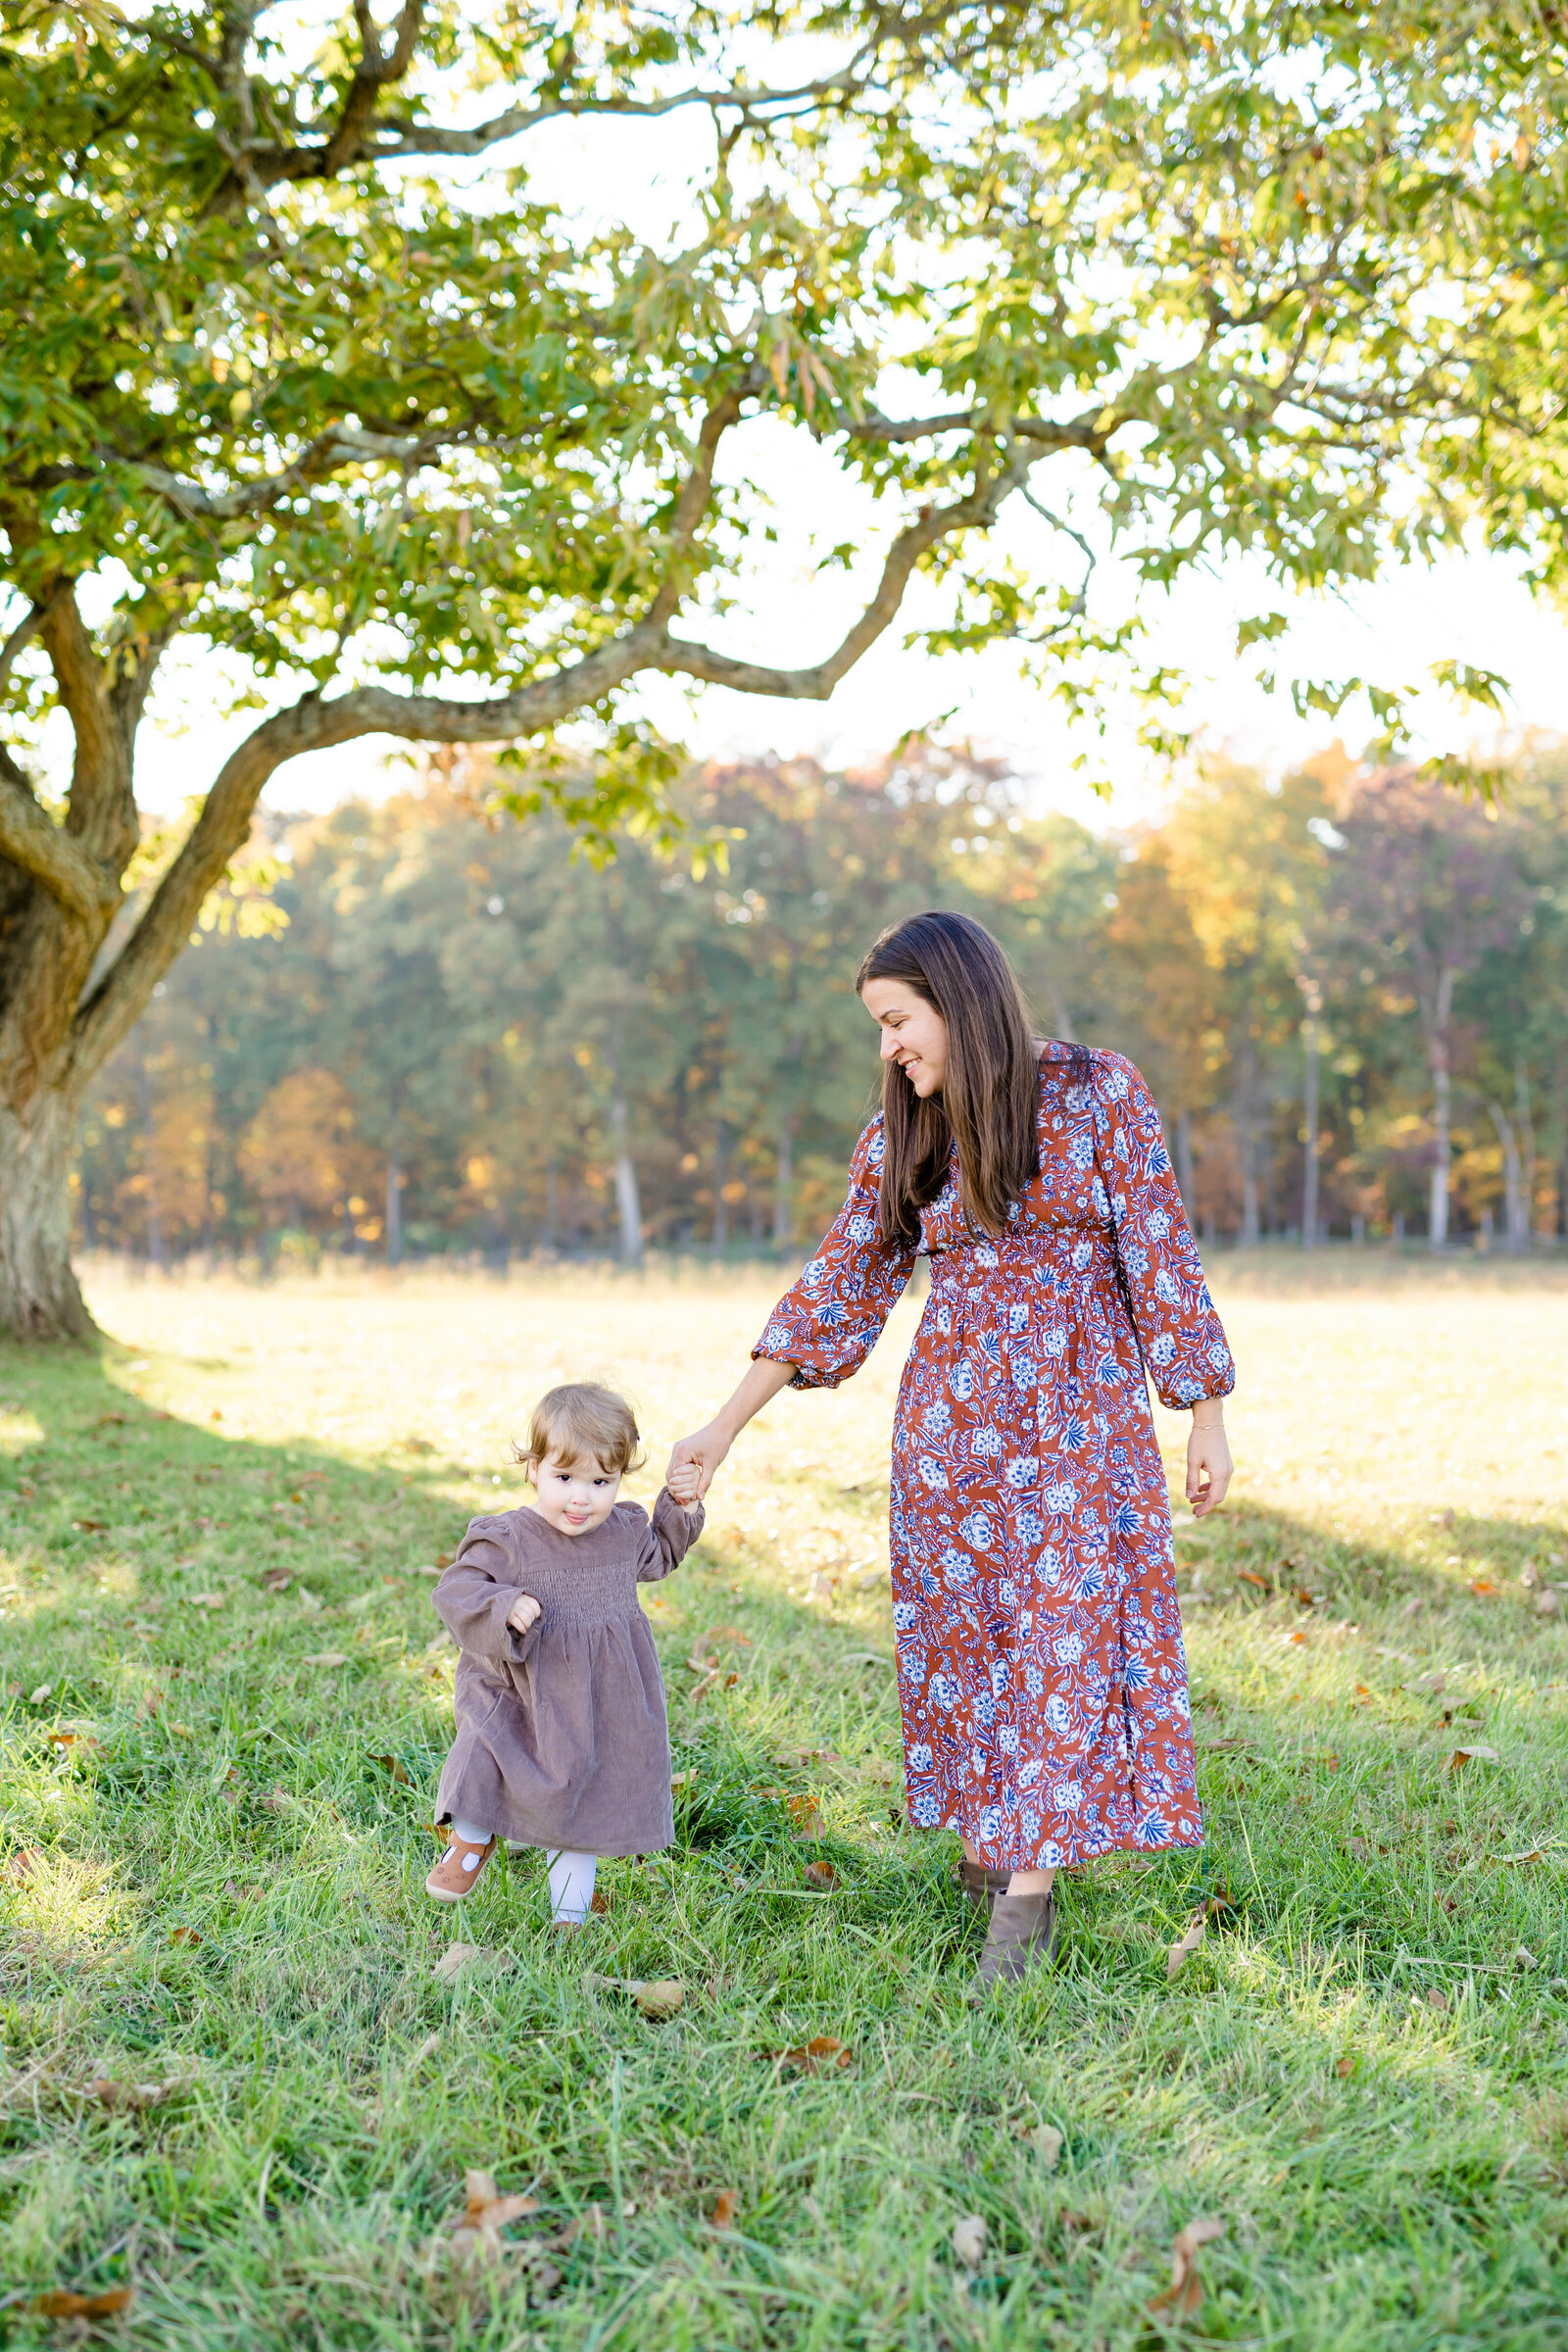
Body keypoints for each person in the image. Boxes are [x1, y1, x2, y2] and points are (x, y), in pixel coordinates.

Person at [667, 910, 1234, 1988]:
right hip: (950, 1439)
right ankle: (992, 1853)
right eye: (878, 1028)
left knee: (1061, 1642)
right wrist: (720, 1427)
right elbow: (837, 1284)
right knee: (969, 1643)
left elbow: (1162, 1253)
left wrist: (1202, 1411)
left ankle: (1023, 1908)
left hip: (1079, 1430)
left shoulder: (1096, 1091)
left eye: (897, 1020)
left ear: (957, 999)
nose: (887, 1047)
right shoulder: (903, 1138)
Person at [425, 1381, 704, 1922]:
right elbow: (456, 1590)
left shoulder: (623, 1531)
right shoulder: (508, 1537)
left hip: (597, 1699)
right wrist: (503, 1604)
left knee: (585, 1800)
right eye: (565, 1477)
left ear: (621, 1478)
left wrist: (681, 1505)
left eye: (602, 1481)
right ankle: (470, 1840)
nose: (582, 1497)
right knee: (488, 1746)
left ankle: (568, 1920)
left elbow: (663, 1553)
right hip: (520, 1688)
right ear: (533, 1468)